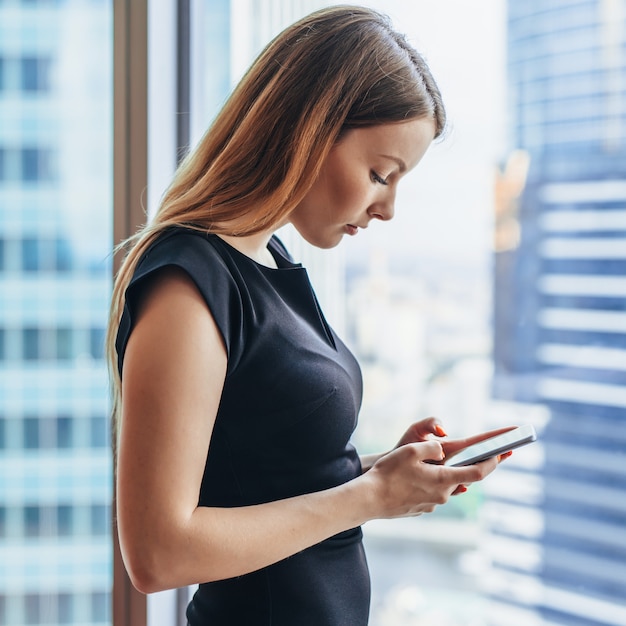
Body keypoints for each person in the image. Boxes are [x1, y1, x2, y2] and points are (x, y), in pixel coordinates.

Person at [106, 5, 511, 625]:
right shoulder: (188, 283)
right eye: (381, 174)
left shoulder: (271, 260)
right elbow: (158, 551)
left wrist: (386, 473)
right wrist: (368, 495)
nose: (388, 209)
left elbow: (267, 477)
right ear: (309, 130)